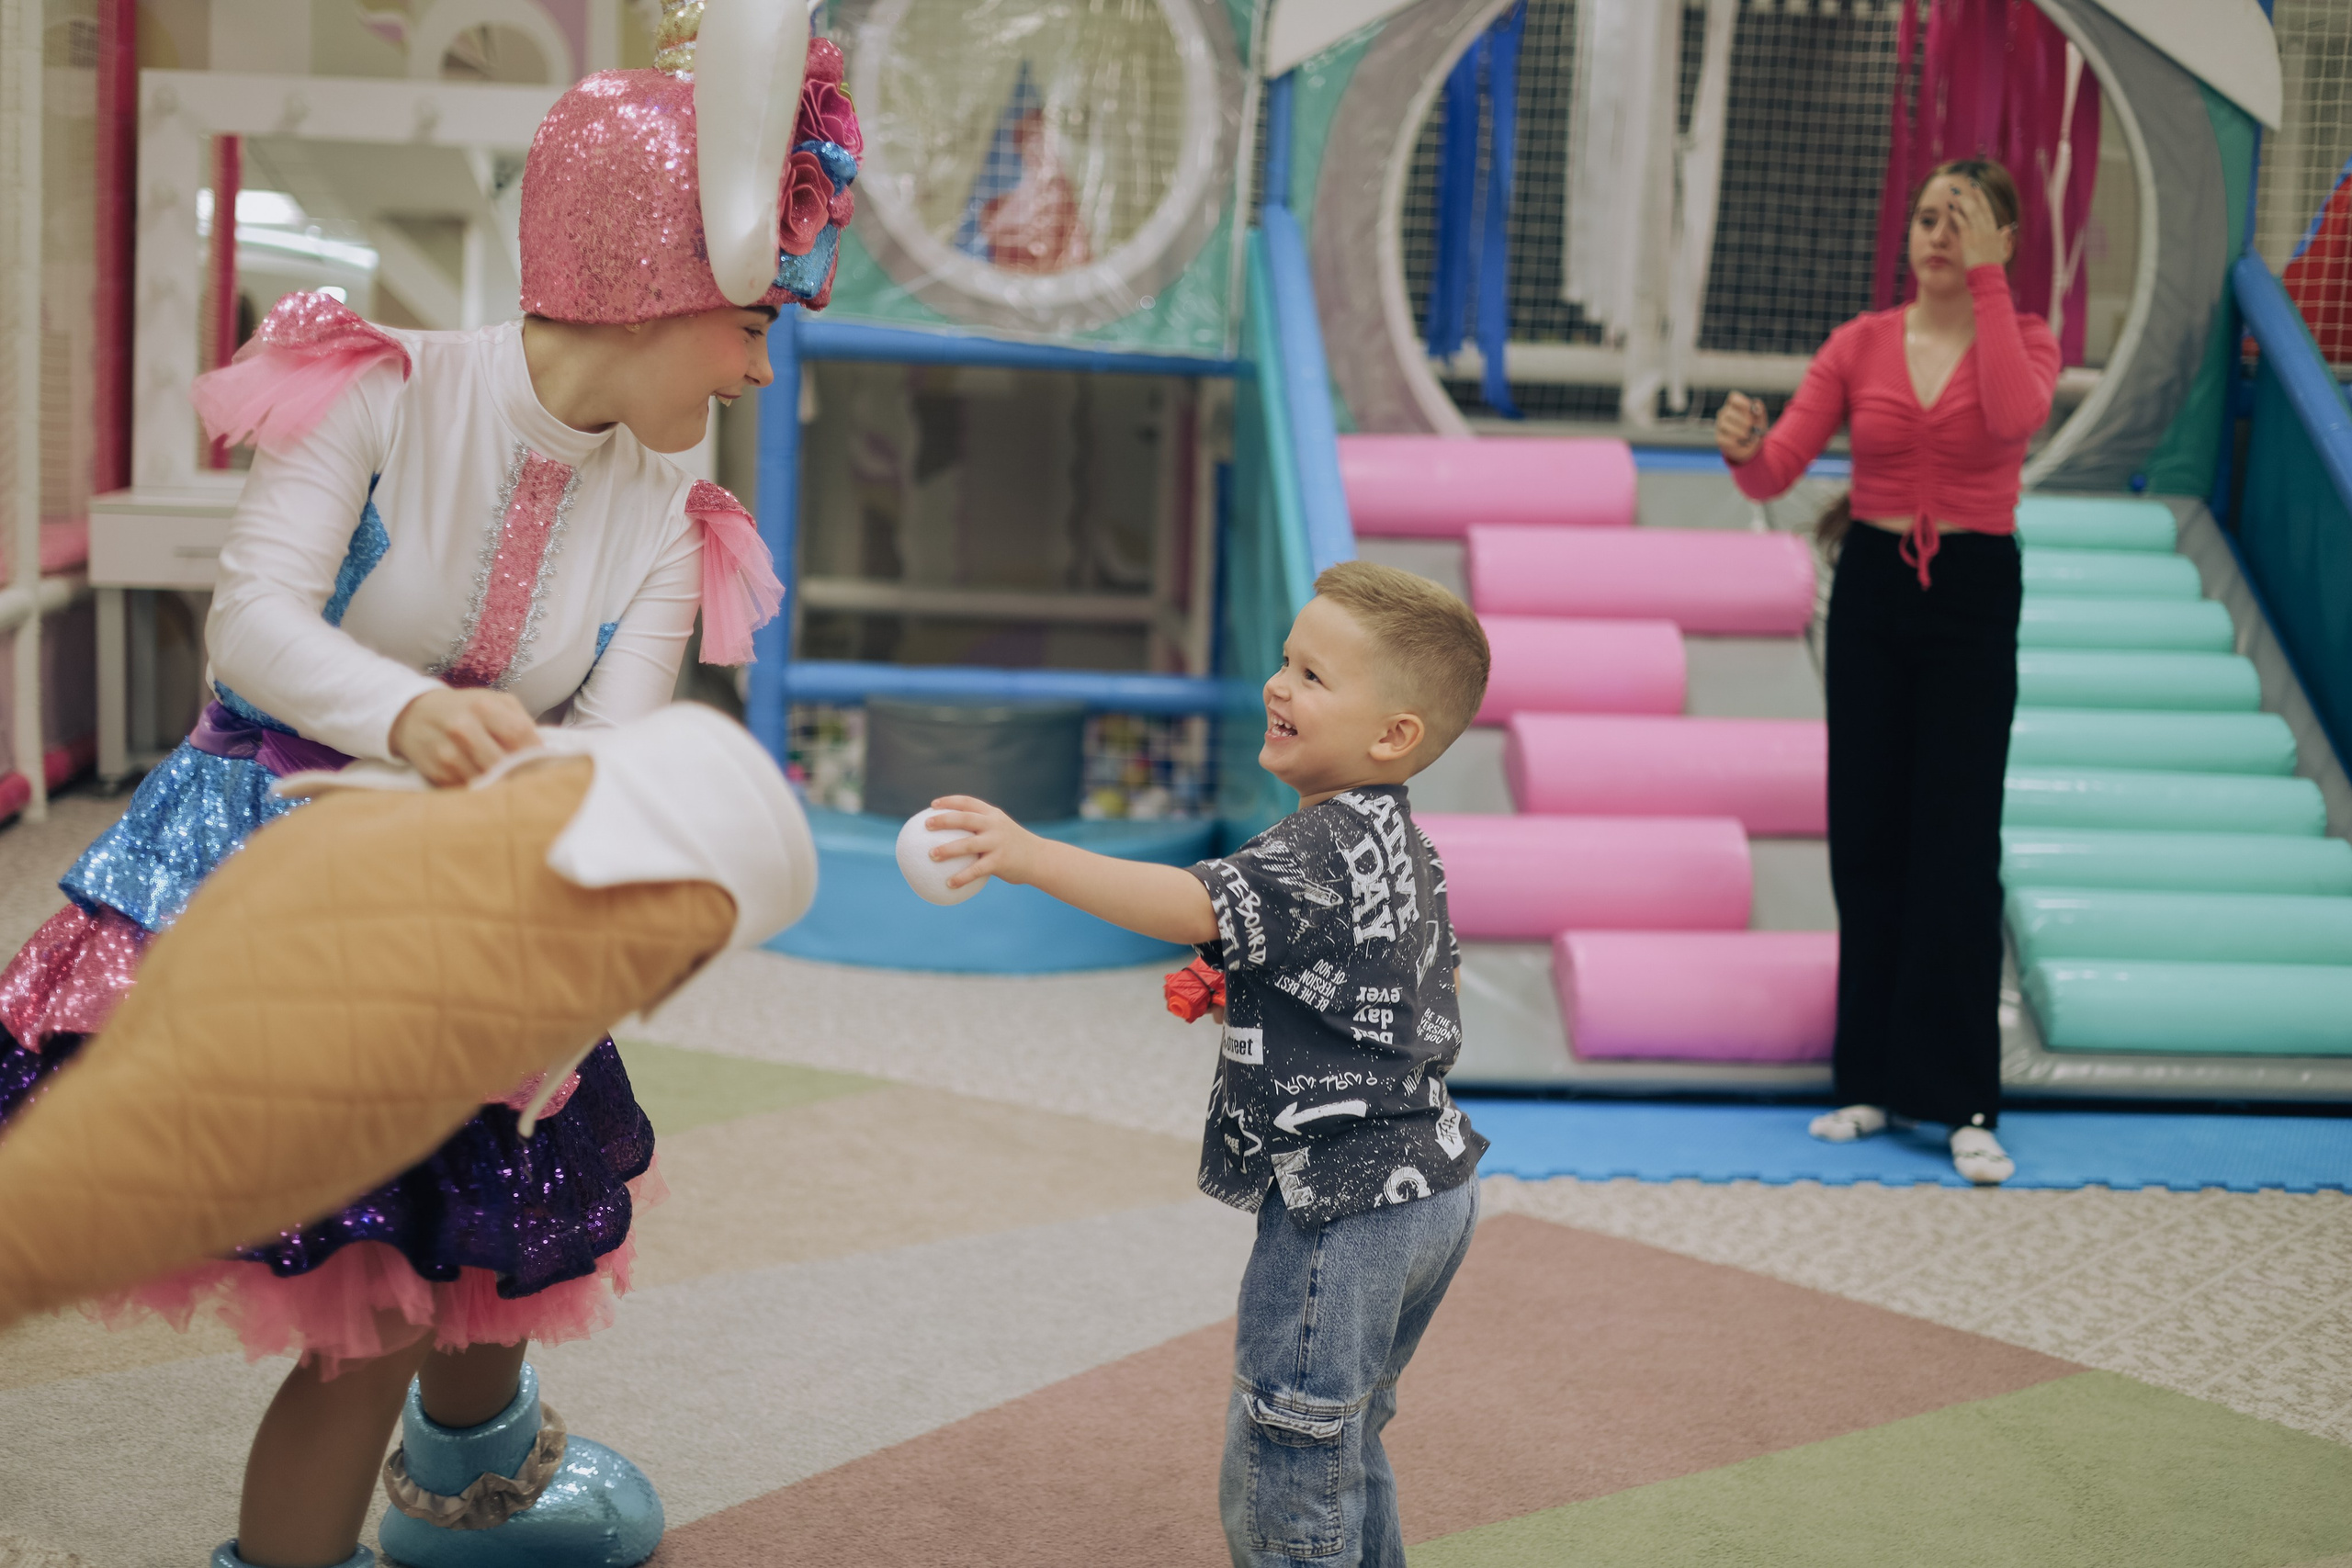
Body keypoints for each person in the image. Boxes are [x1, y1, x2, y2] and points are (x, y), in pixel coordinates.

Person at [0, 15, 858, 1567]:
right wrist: (412, 719)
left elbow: (617, 734)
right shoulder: (378, 390)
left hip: (499, 867)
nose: (758, 362)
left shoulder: (677, 515)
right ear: (644, 283)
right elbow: (254, 621)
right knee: (374, 1300)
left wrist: (568, 819)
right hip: (278, 855)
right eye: (750, 323)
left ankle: (470, 1469)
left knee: (509, 1225)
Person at [926, 560, 1490, 1568]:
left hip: (1342, 1201)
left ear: (1392, 735)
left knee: (1289, 1446)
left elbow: (1194, 904)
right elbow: (1379, 978)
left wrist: (1027, 853)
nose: (1279, 685)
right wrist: (1241, 987)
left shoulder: (1318, 845)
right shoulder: (1396, 838)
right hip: (1427, 1185)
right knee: (1345, 1437)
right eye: (1286, 661)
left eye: (1314, 677)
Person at [1714, 158, 2058, 1188]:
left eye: (1962, 217)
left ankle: (1959, 1100)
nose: (1938, 232)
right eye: (1925, 215)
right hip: (1869, 587)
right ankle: (1863, 1078)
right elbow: (1778, 470)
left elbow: (2007, 418)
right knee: (1866, 831)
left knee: (1956, 840)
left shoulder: (2027, 339)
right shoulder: (1858, 343)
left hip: (1971, 587)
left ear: (2001, 238)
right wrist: (1741, 449)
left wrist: (1991, 284)